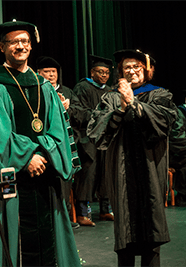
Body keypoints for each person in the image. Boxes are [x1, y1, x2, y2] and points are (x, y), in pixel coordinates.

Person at [0, 20, 81, 267]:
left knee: (47, 240)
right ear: (2, 47)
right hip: (12, 176)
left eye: (25, 41)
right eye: (14, 42)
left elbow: (58, 129)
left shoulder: (43, 86)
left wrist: (44, 155)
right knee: (14, 241)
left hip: (45, 177)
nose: (20, 46)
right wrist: (27, 156)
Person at [87, 49, 177, 266]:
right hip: (121, 169)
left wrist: (135, 105)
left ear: (146, 71)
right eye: (127, 67)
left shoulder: (160, 94)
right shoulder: (110, 97)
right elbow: (96, 130)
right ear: (120, 72)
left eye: (137, 67)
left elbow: (165, 122)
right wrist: (121, 108)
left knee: (151, 230)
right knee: (125, 234)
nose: (132, 71)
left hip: (150, 168)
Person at [36, 56, 84, 229]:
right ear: (38, 73)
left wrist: (68, 109)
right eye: (46, 72)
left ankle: (65, 218)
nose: (50, 75)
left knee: (65, 182)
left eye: (53, 72)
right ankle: (50, 218)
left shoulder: (69, 92)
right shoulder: (36, 91)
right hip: (44, 146)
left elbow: (82, 116)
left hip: (65, 146)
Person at [73, 54, 114, 226]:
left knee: (106, 172)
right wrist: (99, 118)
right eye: (100, 72)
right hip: (87, 137)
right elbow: (77, 111)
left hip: (105, 137)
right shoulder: (82, 87)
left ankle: (105, 210)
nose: (103, 75)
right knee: (88, 173)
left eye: (106, 73)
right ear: (92, 72)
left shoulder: (110, 91)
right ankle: (83, 213)